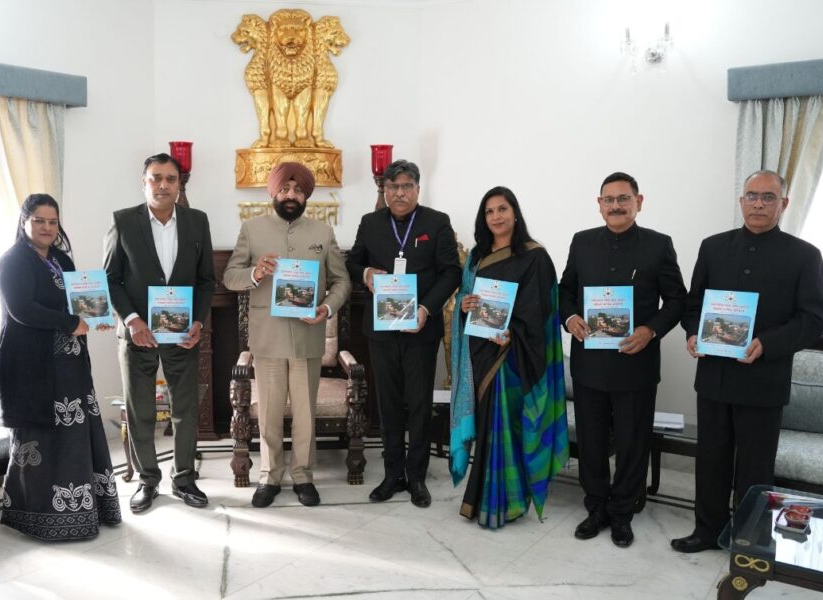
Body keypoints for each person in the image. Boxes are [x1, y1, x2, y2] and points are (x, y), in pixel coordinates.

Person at [671, 170, 823, 553]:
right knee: (711, 460)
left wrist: (767, 343)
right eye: (752, 196)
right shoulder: (713, 247)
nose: (759, 204)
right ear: (741, 200)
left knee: (755, 468)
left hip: (764, 380)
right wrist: (693, 333)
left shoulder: (805, 256)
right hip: (714, 377)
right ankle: (707, 531)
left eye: (768, 197)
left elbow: (815, 317)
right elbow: (693, 305)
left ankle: (750, 538)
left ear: (783, 204)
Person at [558, 172, 687, 548]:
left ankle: (622, 513)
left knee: (632, 444)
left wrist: (651, 330)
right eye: (608, 199)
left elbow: (677, 300)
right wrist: (570, 317)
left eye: (623, 199)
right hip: (589, 365)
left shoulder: (658, 245)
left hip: (636, 364)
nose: (615, 206)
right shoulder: (582, 242)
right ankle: (596, 507)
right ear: (599, 204)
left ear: (638, 202)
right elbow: (565, 291)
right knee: (592, 443)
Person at [222, 162, 351, 507]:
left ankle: (303, 475)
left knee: (305, 413)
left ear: (306, 195)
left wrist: (327, 308)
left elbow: (342, 281)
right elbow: (230, 277)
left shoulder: (323, 232)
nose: (291, 195)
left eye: (298, 190)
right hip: (268, 338)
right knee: (269, 412)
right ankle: (270, 475)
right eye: (284, 189)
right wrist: (255, 273)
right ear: (274, 193)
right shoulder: (252, 229)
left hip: (308, 337)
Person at [0, 193, 122, 540]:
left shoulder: (61, 259)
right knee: (41, 437)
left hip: (70, 364)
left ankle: (86, 512)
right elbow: (22, 309)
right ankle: (37, 517)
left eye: (53, 221)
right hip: (32, 365)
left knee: (76, 436)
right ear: (24, 221)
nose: (47, 228)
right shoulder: (12, 262)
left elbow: (78, 301)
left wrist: (95, 313)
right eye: (39, 220)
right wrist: (69, 322)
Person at [450, 187, 569, 529]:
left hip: (513, 355)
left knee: (506, 426)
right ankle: (483, 498)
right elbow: (466, 297)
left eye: (502, 209)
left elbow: (540, 310)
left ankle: (509, 502)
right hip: (479, 351)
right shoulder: (476, 256)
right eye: (489, 211)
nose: (496, 216)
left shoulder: (534, 257)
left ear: (515, 213)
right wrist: (464, 305)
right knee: (486, 424)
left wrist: (512, 334)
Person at [346, 159, 461, 507]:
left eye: (406, 186)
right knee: (389, 405)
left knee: (419, 405)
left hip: (420, 330)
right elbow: (352, 263)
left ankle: (417, 477)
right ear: (384, 190)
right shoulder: (370, 223)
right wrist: (366, 274)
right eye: (393, 186)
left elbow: (451, 272)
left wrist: (426, 309)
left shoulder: (436, 222)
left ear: (417, 189)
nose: (399, 192)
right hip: (381, 330)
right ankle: (392, 474)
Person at [104, 153, 216, 513]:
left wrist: (198, 322)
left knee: (185, 409)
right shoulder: (123, 221)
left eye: (170, 178)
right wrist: (132, 321)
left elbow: (206, 280)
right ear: (144, 182)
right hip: (138, 335)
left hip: (182, 334)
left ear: (179, 184)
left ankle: (184, 478)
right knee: (141, 411)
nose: (163, 185)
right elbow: (111, 279)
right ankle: (147, 480)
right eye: (156, 178)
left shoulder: (197, 221)